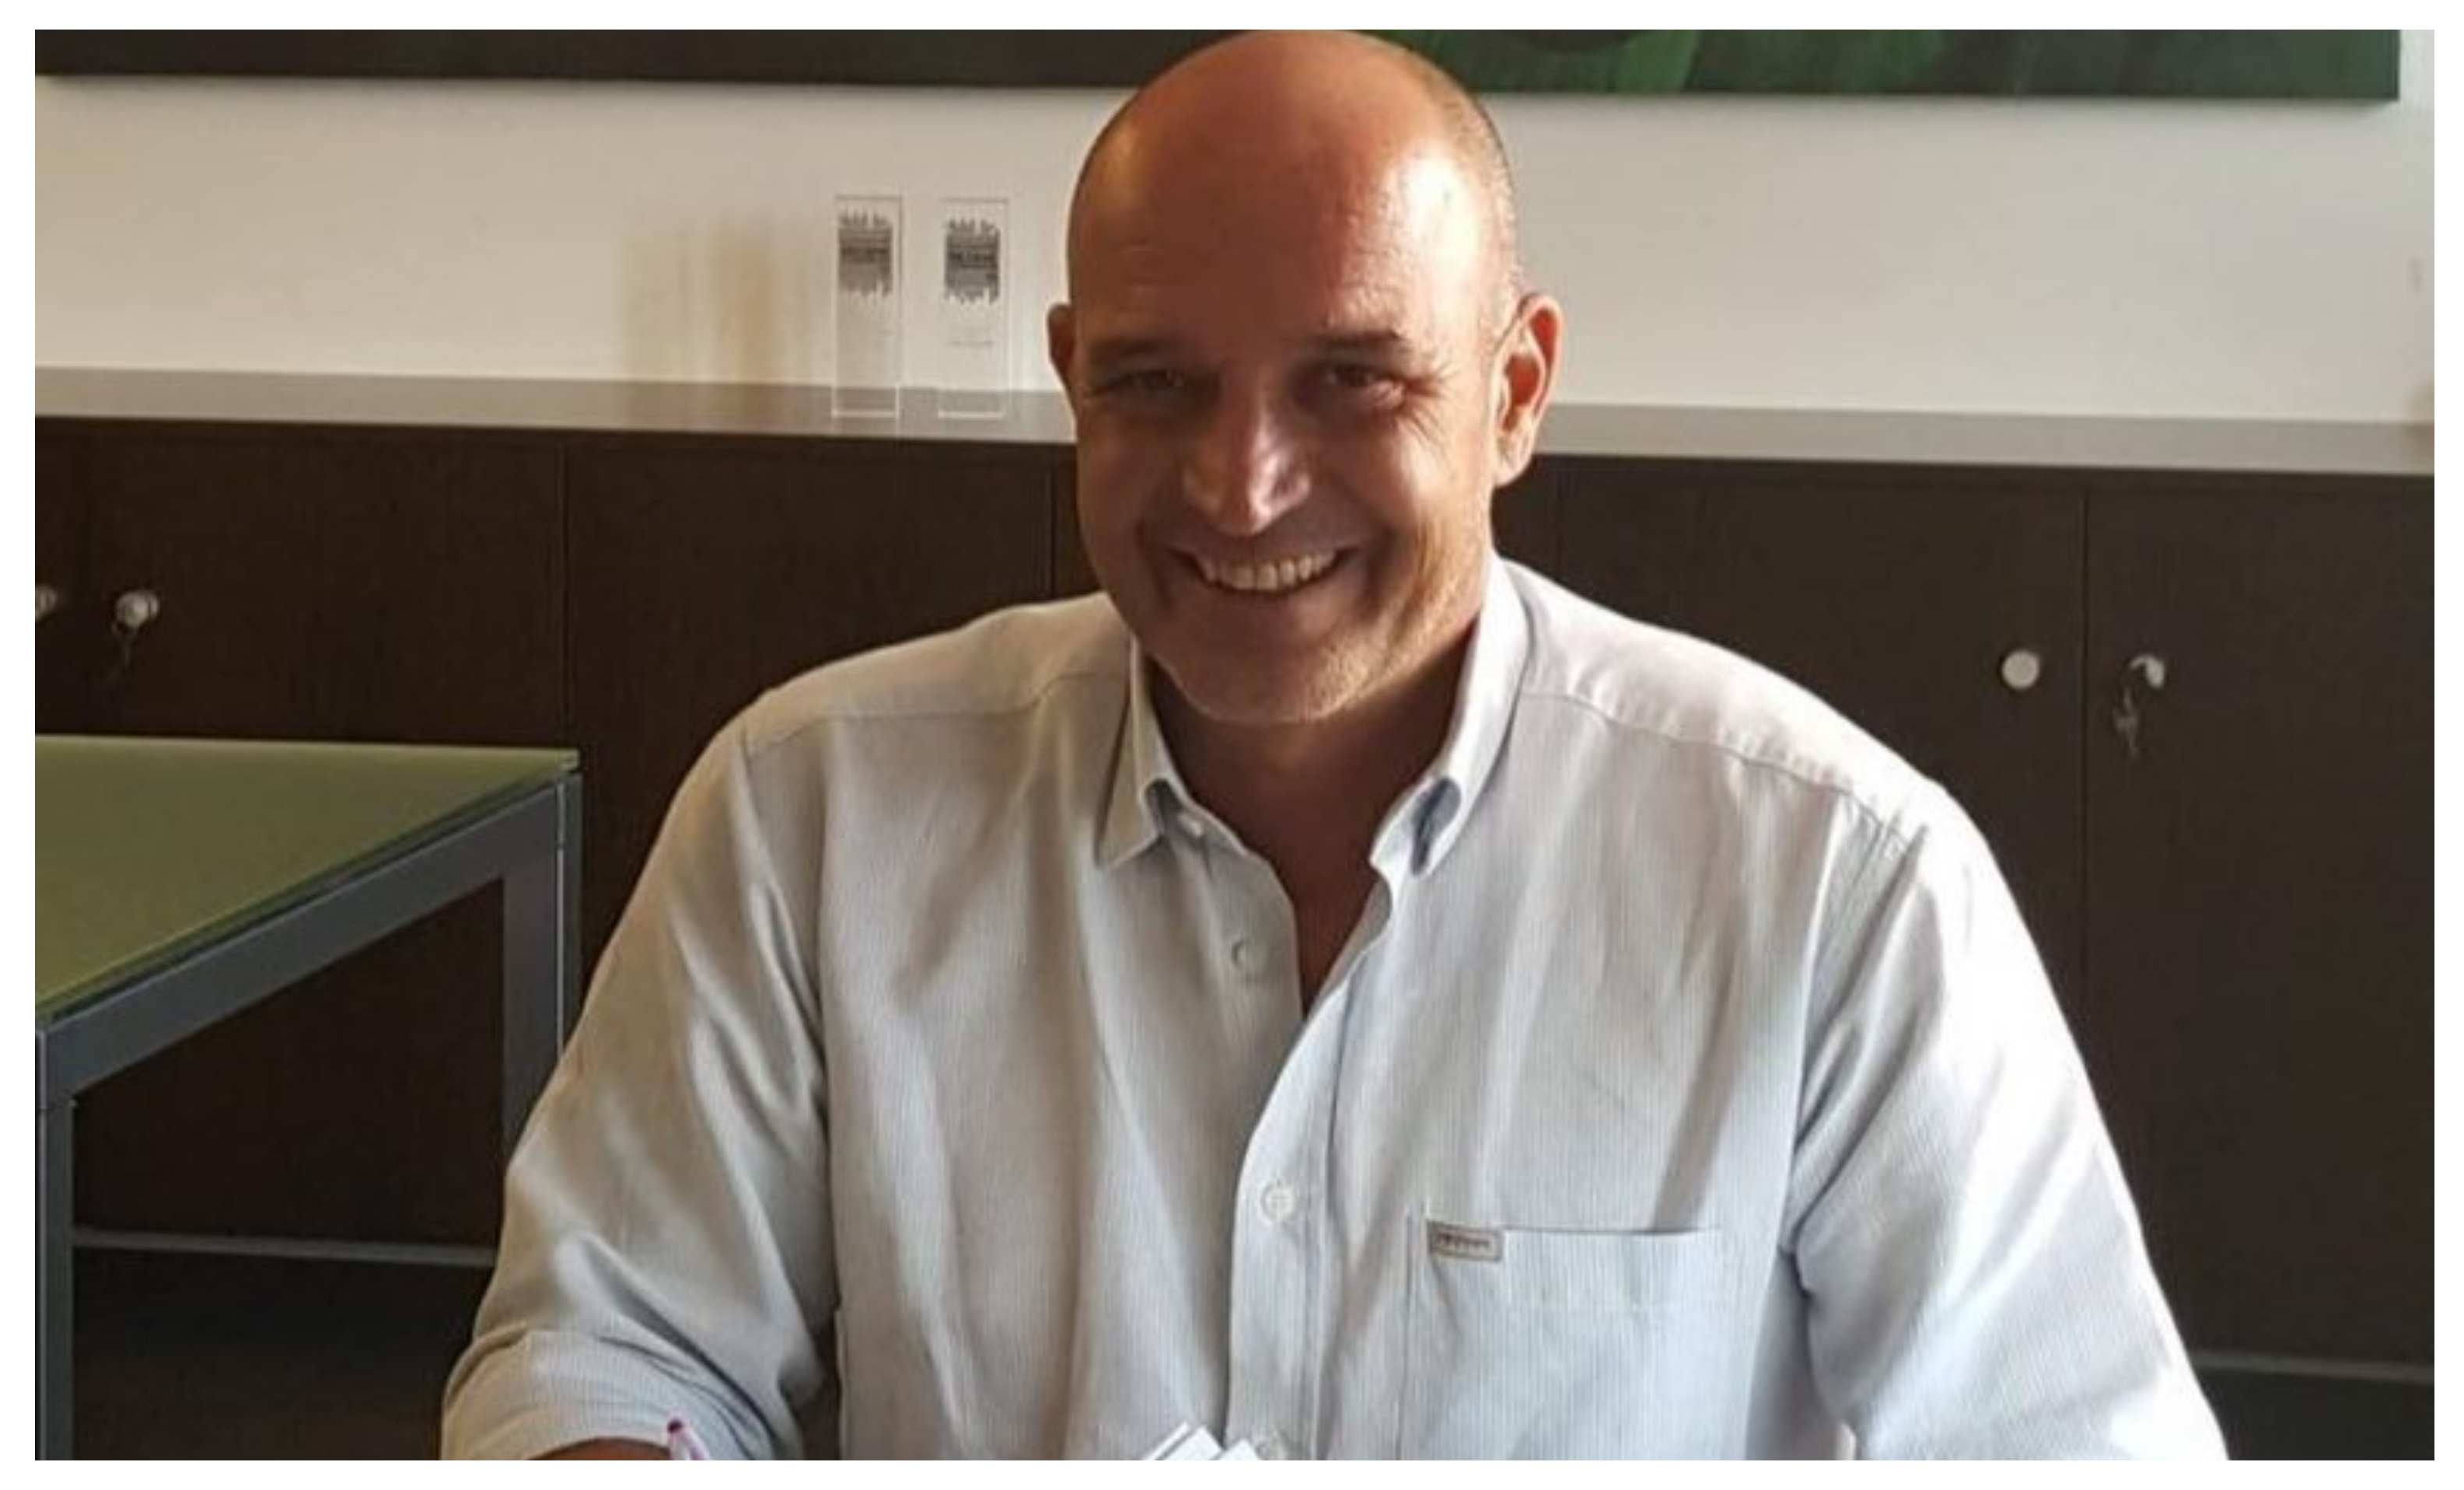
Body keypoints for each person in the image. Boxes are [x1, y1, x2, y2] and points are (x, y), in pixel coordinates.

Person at [442, 31, 2224, 1459]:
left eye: (1353, 380)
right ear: (1071, 379)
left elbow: (2070, 1440)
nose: (1242, 486)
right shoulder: (812, 813)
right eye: (1157, 383)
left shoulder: (1832, 874)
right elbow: (608, 1342)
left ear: (1514, 392)